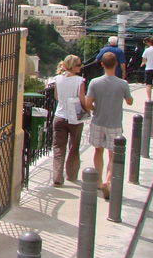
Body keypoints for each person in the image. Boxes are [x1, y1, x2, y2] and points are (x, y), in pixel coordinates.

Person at [86, 52, 133, 199]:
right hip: (115, 123)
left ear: (102, 64)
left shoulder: (94, 82)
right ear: (117, 64)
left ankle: (99, 181)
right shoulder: (122, 84)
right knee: (113, 155)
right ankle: (108, 181)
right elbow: (130, 101)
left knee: (98, 151)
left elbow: (88, 103)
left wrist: (95, 109)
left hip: (98, 121)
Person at [51, 55, 88, 186]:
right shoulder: (80, 81)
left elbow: (56, 96)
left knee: (58, 147)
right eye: (78, 65)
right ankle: (71, 175)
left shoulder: (57, 79)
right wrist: (88, 110)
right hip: (75, 118)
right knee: (74, 147)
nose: (81, 66)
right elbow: (82, 99)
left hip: (60, 115)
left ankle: (57, 176)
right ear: (72, 66)